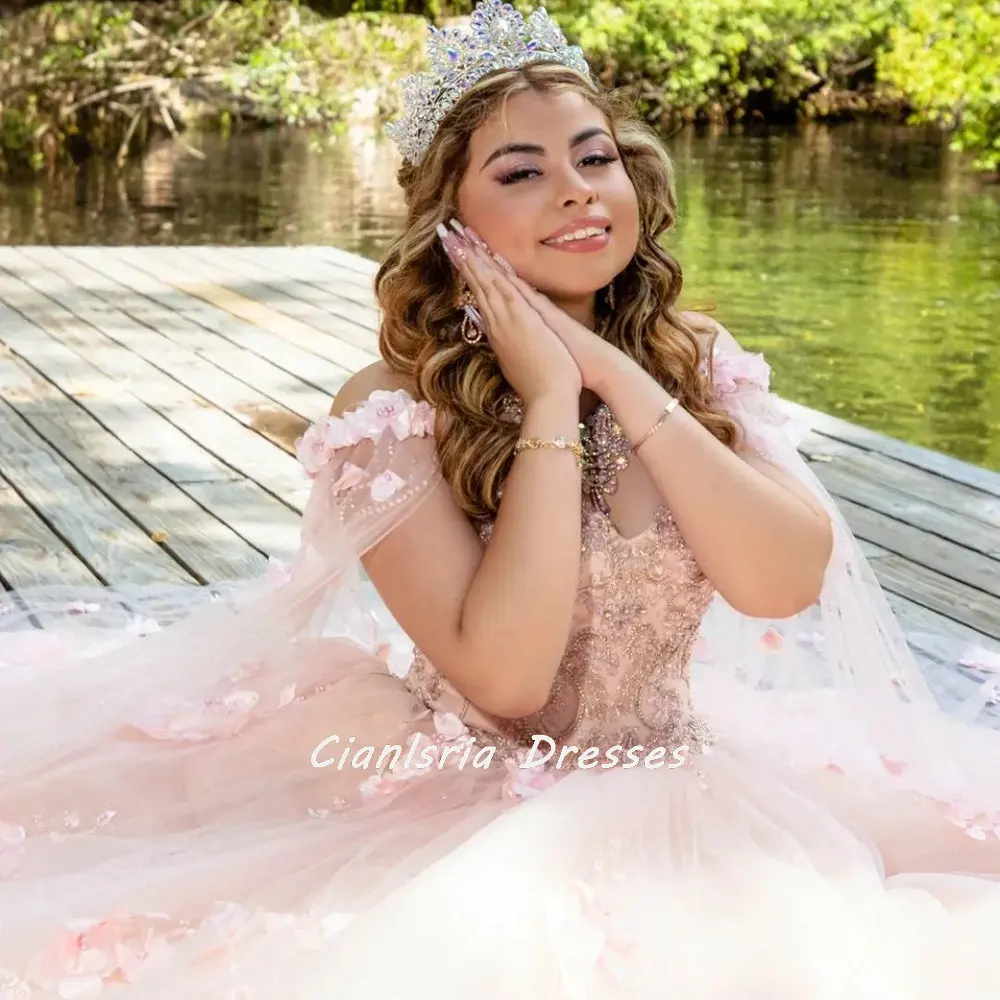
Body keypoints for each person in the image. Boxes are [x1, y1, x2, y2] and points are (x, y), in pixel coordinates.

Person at [1, 0, 999, 994]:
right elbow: (509, 678)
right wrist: (553, 399)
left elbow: (782, 581)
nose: (574, 192)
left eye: (593, 158)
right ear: (451, 220)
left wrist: (623, 379)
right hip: (456, 786)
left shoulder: (692, 365)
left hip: (682, 773)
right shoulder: (390, 412)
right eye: (520, 173)